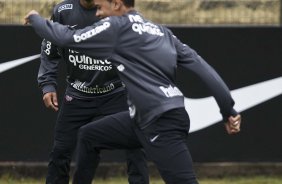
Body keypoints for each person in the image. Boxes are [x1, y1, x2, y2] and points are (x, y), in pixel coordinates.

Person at [25, 0, 242, 183]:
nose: (97, 13)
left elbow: (65, 38)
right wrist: (228, 109)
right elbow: (203, 68)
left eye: (100, 7)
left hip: (162, 121)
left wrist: (35, 18)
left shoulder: (116, 27)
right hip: (140, 118)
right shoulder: (161, 31)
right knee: (89, 136)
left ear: (117, 4)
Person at [37, 0, 149, 184]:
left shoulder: (114, 9)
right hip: (78, 95)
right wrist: (47, 84)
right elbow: (49, 51)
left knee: (136, 148)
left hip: (115, 93)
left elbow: (141, 51)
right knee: (60, 151)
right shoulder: (63, 11)